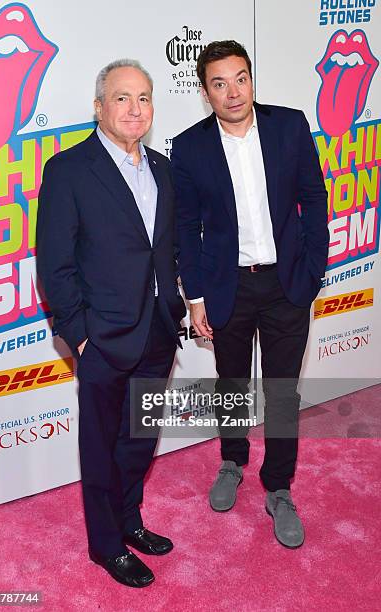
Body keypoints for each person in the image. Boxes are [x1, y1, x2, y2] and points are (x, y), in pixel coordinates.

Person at [171, 41, 329, 548]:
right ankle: (233, 461)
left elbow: (314, 199)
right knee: (232, 380)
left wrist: (313, 272)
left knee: (283, 390)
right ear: (204, 92)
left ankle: (279, 486)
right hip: (227, 286)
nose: (232, 91)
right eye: (219, 83)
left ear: (251, 79)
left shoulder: (289, 125)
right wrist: (194, 297)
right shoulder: (190, 147)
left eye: (240, 78)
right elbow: (186, 227)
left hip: (287, 285)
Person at [36, 59, 186, 587]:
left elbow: (165, 252)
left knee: (138, 442)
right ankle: (105, 546)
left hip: (159, 332)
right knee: (100, 447)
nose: (134, 108)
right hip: (102, 339)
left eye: (143, 98)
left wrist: (179, 307)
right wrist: (79, 334)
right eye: (122, 98)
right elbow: (54, 264)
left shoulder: (164, 169)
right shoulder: (69, 170)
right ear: (99, 107)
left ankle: (130, 522)